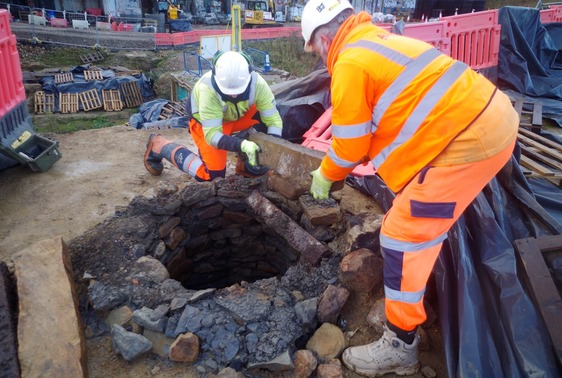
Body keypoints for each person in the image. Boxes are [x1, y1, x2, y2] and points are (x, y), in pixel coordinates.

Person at [301, 0, 518, 376]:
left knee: (400, 235)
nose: (320, 57)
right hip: (489, 119)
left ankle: (401, 344)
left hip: (470, 142)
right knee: (411, 212)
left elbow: (350, 144)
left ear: (323, 38)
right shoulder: (380, 41)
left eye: (316, 48)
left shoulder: (351, 62)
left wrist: (326, 173)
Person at [144, 50, 283, 181]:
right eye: (229, 92)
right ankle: (160, 145)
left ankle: (247, 168)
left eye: (238, 91)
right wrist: (242, 145)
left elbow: (273, 120)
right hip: (208, 125)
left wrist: (272, 147)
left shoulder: (258, 83)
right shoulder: (207, 90)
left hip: (238, 117)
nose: (234, 95)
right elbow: (212, 136)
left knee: (272, 119)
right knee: (212, 177)